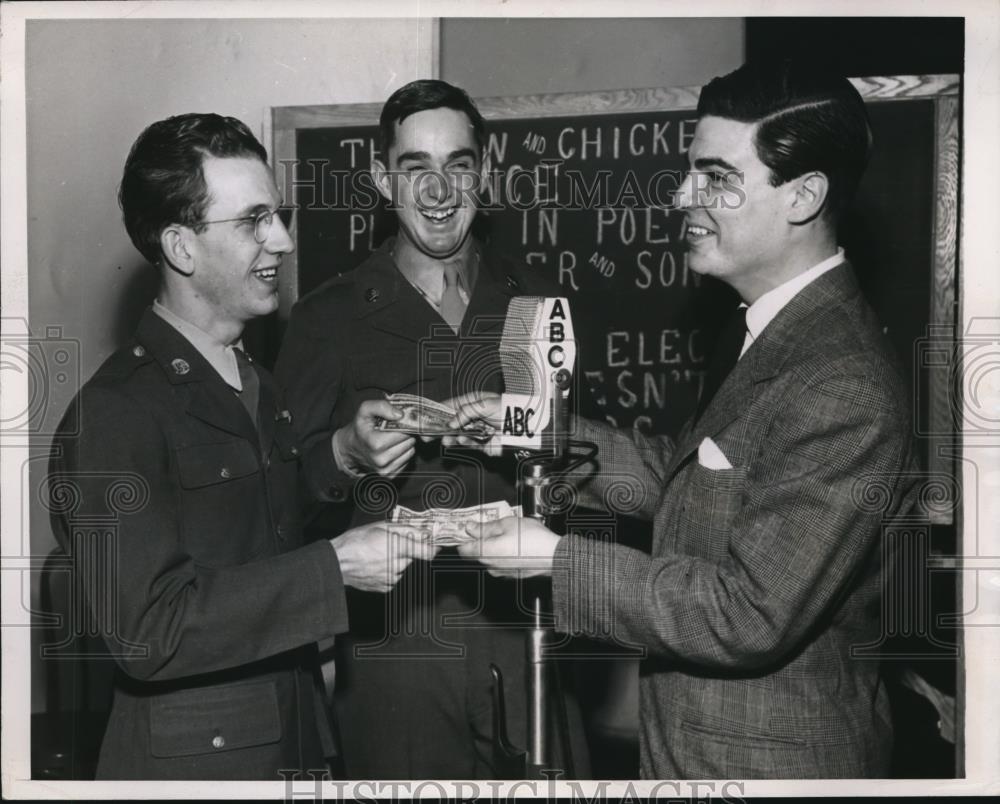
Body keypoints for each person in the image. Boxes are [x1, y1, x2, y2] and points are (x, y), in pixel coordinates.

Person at [450, 61, 919, 779]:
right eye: (688, 172)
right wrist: (533, 428)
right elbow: (694, 479)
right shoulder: (782, 331)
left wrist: (550, 557)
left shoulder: (843, 382)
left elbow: (747, 615)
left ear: (803, 197)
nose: (681, 196)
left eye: (716, 178)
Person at [48, 113, 433, 780]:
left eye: (277, 216)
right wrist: (334, 567)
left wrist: (341, 453)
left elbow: (257, 527)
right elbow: (148, 631)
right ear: (182, 247)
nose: (282, 240)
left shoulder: (253, 378)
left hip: (296, 745)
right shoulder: (116, 414)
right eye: (253, 220)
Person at [274, 79, 588, 779]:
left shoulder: (537, 299)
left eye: (460, 165)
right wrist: (344, 454)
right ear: (384, 179)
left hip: (527, 633)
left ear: (488, 173)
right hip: (398, 659)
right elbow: (277, 506)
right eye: (416, 167)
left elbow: (579, 468)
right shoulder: (327, 318)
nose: (440, 190)